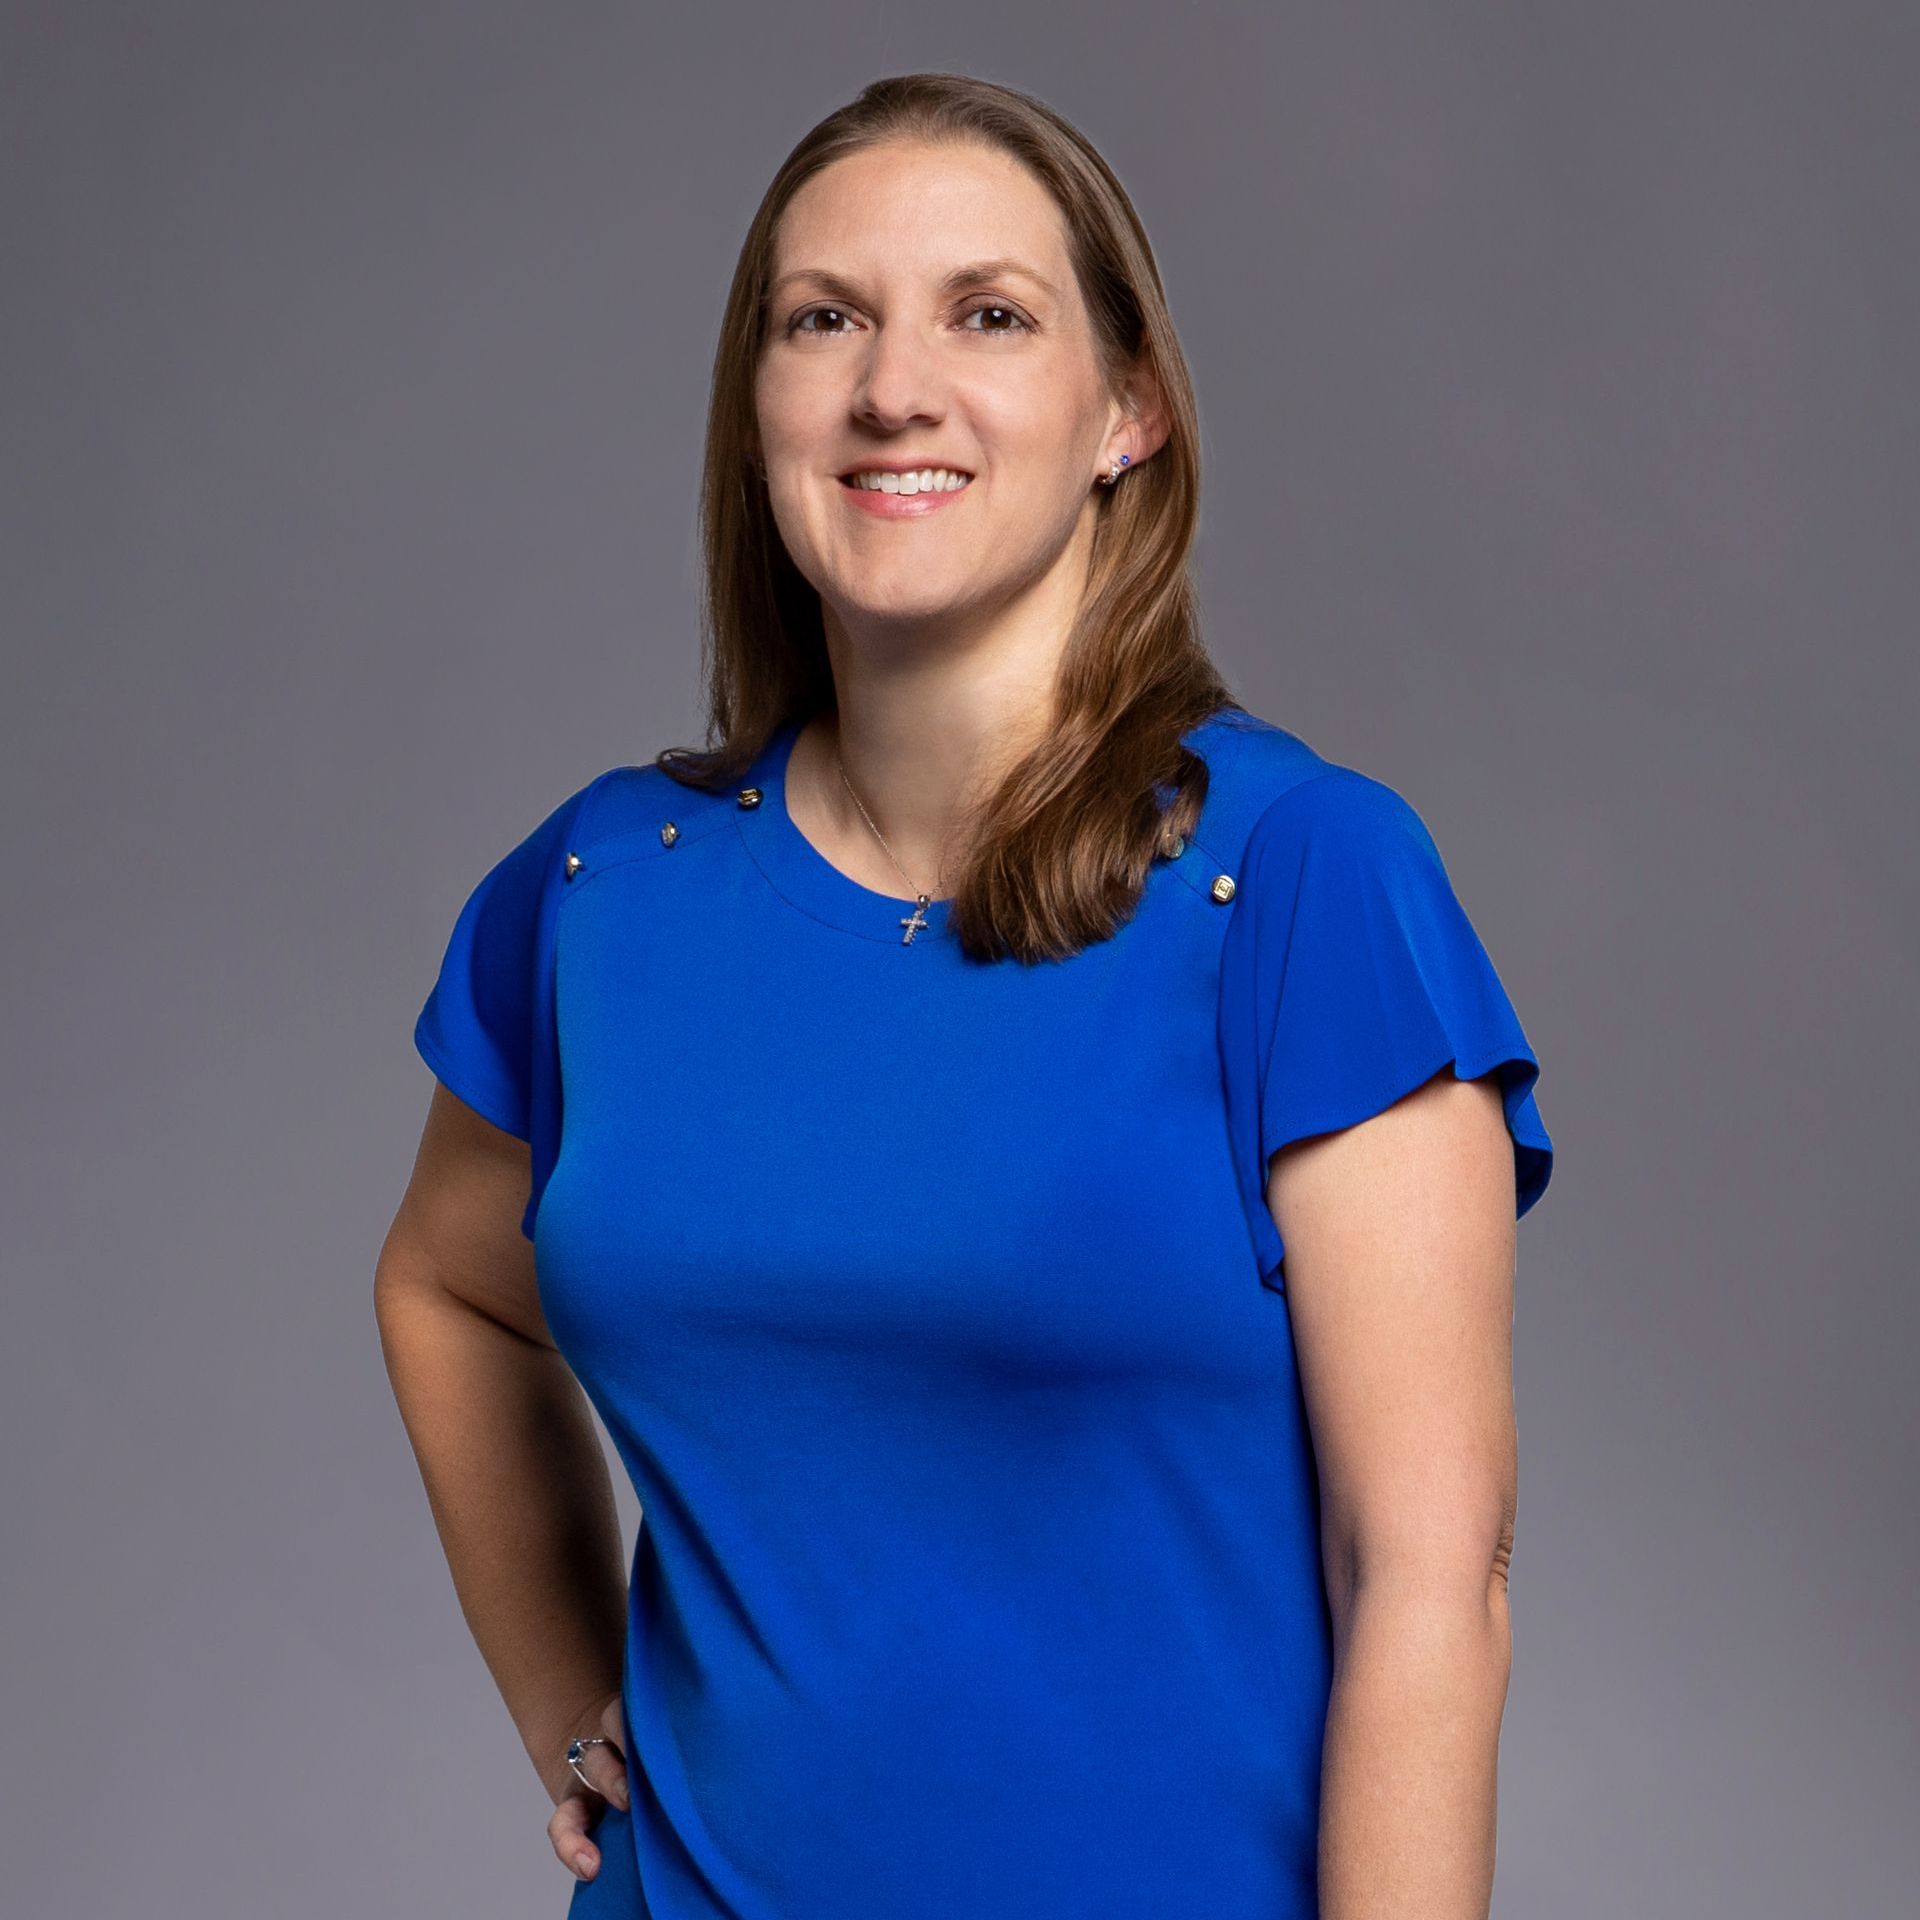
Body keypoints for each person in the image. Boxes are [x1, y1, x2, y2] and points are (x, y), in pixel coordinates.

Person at [376, 71, 1556, 1920]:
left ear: (1128, 410)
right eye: (821, 319)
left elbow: (1430, 1578)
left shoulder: (1303, 884)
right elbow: (446, 1286)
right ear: (756, 408)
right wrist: (567, 1704)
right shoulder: (598, 897)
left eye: (987, 316)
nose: (889, 387)